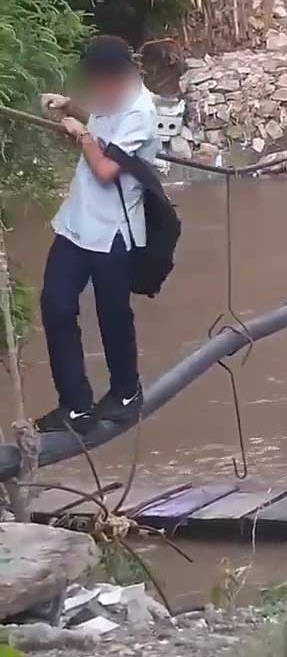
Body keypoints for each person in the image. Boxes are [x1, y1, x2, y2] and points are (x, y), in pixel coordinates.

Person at [36, 35, 157, 435]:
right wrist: (71, 109)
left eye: (104, 81)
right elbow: (101, 128)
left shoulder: (141, 110)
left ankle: (126, 392)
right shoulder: (107, 99)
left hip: (114, 231)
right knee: (56, 304)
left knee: (112, 315)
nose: (100, 89)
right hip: (77, 222)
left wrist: (80, 135)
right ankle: (75, 405)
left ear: (122, 74)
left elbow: (106, 169)